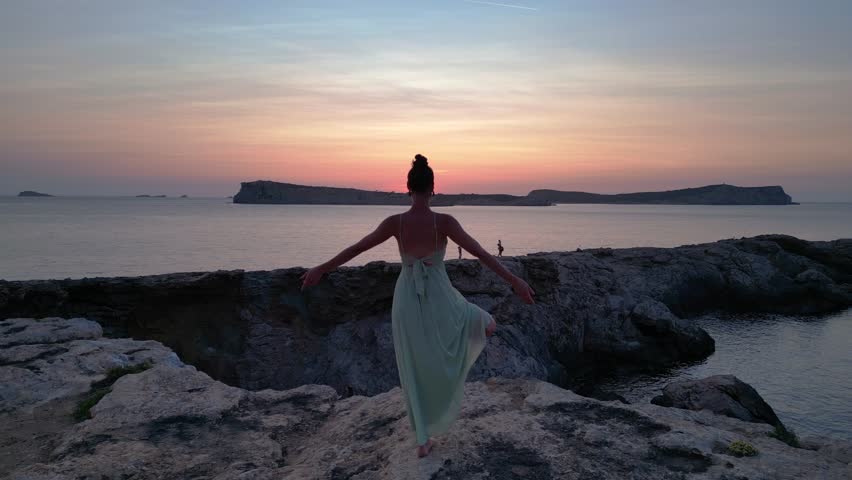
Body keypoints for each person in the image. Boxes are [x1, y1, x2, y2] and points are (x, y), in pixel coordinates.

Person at [301, 154, 535, 458]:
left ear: (408, 188)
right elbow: (481, 253)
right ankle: (432, 419)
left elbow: (357, 248)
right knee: (486, 325)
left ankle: (423, 438)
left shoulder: (395, 223)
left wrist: (321, 268)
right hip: (439, 294)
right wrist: (515, 281)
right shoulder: (444, 222)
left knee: (413, 363)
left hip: (407, 296)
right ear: (433, 188)